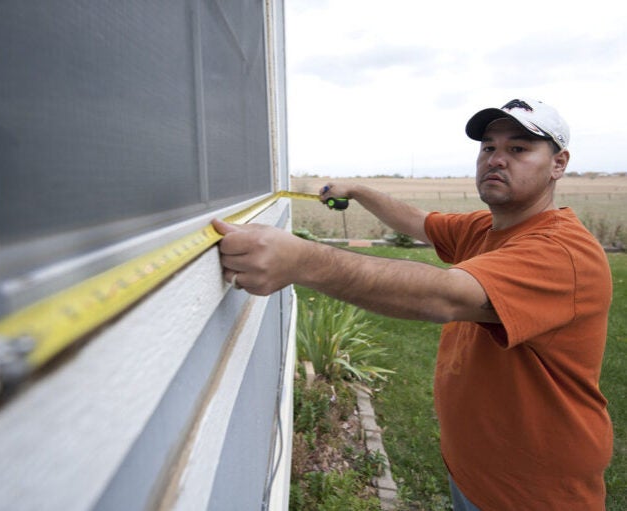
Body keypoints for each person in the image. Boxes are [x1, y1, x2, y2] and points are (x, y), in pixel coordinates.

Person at [212, 98, 613, 510]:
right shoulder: (486, 227)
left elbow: (443, 295)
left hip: (534, 492)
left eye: (518, 149)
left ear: (558, 164)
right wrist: (360, 190)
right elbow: (417, 221)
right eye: (488, 147)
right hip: (477, 471)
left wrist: (303, 261)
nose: (496, 159)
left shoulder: (561, 253)